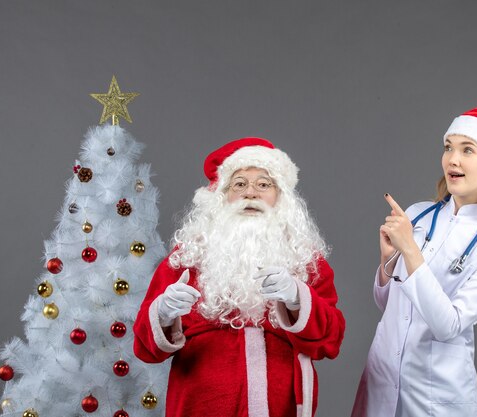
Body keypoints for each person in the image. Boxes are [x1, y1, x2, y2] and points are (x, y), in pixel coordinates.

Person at [133, 137, 345, 417]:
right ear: (222, 195)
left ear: (280, 196)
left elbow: (330, 340)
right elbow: (145, 349)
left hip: (279, 408)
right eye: (240, 184)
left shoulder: (305, 260)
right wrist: (163, 312)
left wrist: (297, 299)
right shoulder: (187, 256)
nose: (251, 194)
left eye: (264, 184)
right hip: (199, 405)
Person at [351, 107, 477, 417]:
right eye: (448, 148)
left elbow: (448, 326)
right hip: (382, 379)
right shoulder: (418, 214)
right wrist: (389, 259)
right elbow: (386, 304)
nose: (452, 159)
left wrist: (411, 251)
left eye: (467, 149)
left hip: (436, 397)